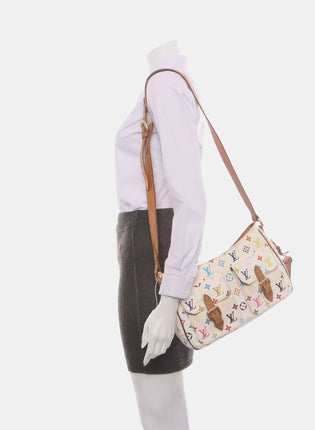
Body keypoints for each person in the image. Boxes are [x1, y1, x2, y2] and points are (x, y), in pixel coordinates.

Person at [114, 39, 206, 429]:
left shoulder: (163, 84)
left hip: (151, 255)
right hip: (147, 248)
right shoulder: (166, 81)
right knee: (160, 407)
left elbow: (191, 200)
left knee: (159, 409)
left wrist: (169, 299)